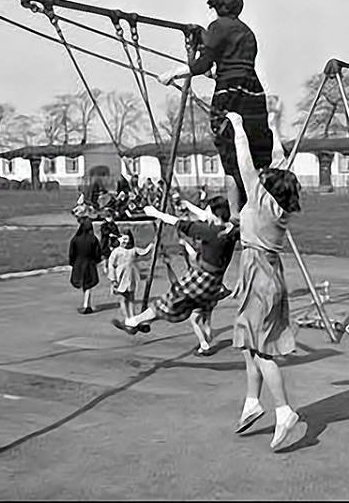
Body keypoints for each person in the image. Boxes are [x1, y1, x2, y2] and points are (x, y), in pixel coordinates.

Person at [158, 0, 273, 217]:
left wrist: (173, 74)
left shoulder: (218, 27)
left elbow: (201, 65)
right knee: (254, 153)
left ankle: (234, 215)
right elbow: (235, 66)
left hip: (229, 96)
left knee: (230, 156)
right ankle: (258, 206)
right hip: (254, 95)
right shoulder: (247, 32)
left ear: (217, 5)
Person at [227, 110, 303, 451]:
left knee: (260, 349)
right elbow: (279, 161)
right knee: (248, 341)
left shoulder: (260, 201)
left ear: (266, 188)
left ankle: (284, 410)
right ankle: (251, 401)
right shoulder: (278, 204)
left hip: (258, 275)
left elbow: (244, 163)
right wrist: (272, 127)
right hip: (264, 272)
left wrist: (240, 128)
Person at [120, 195, 240, 355]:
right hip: (215, 283)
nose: (206, 214)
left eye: (209, 211)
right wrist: (189, 205)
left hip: (201, 277)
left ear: (216, 215)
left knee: (168, 301)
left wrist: (156, 213)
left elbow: (179, 223)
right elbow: (204, 216)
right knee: (189, 308)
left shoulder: (208, 231)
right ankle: (139, 321)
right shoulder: (231, 230)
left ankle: (134, 321)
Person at [106, 230, 155, 323]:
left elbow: (144, 252)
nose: (124, 241)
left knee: (131, 296)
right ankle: (126, 316)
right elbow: (111, 265)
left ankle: (132, 316)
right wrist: (113, 279)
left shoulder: (133, 249)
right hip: (120, 276)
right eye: (122, 239)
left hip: (131, 275)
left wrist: (152, 246)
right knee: (123, 297)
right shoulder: (116, 251)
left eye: (126, 239)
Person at [69, 217, 102, 314]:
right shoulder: (93, 239)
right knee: (88, 284)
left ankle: (86, 304)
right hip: (89, 262)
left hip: (78, 263)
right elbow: (97, 253)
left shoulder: (75, 239)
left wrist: (72, 263)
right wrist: (96, 261)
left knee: (84, 283)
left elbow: (72, 253)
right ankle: (86, 304)